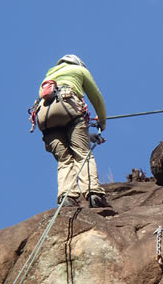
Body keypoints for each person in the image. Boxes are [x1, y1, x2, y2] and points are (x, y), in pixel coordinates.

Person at [34, 54, 111, 208]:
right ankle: (93, 193)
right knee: (83, 154)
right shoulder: (79, 70)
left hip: (45, 116)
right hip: (68, 106)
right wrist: (102, 120)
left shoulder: (48, 76)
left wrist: (88, 136)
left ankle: (67, 196)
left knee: (64, 159)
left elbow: (66, 127)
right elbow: (96, 97)